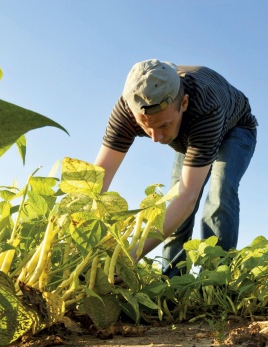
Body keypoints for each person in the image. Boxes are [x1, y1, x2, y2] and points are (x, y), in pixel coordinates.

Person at [94, 59, 257, 277]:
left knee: (220, 191)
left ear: (184, 103)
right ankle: (171, 281)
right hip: (188, 134)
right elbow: (98, 179)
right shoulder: (127, 109)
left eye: (163, 125)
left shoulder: (206, 108)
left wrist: (129, 256)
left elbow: (187, 198)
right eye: (145, 127)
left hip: (235, 129)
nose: (156, 138)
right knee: (174, 203)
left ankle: (216, 280)